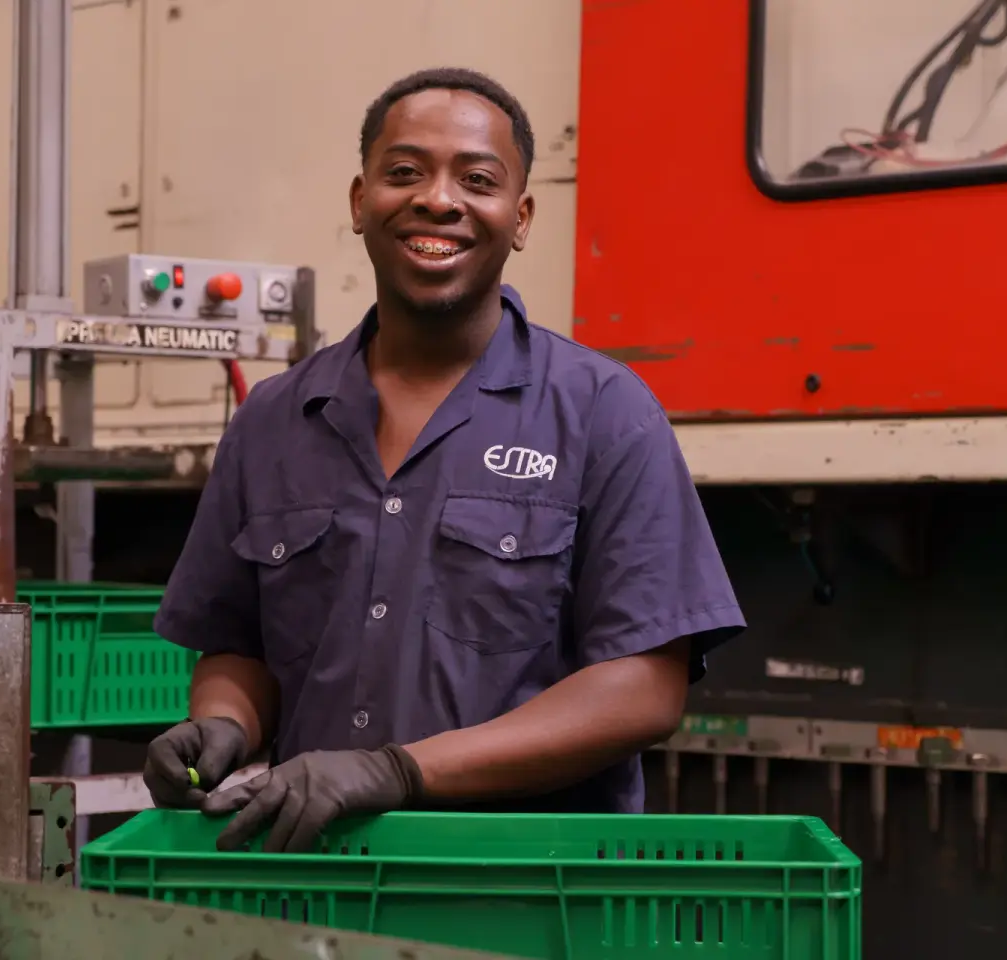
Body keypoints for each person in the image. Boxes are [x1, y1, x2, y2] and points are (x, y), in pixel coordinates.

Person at [142, 67, 745, 853]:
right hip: (316, 881)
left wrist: (398, 771)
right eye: (404, 172)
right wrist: (225, 723)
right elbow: (239, 647)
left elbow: (644, 689)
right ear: (360, 201)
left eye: (478, 180)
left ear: (519, 218)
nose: (437, 199)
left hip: (524, 889)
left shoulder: (604, 412)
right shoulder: (272, 422)